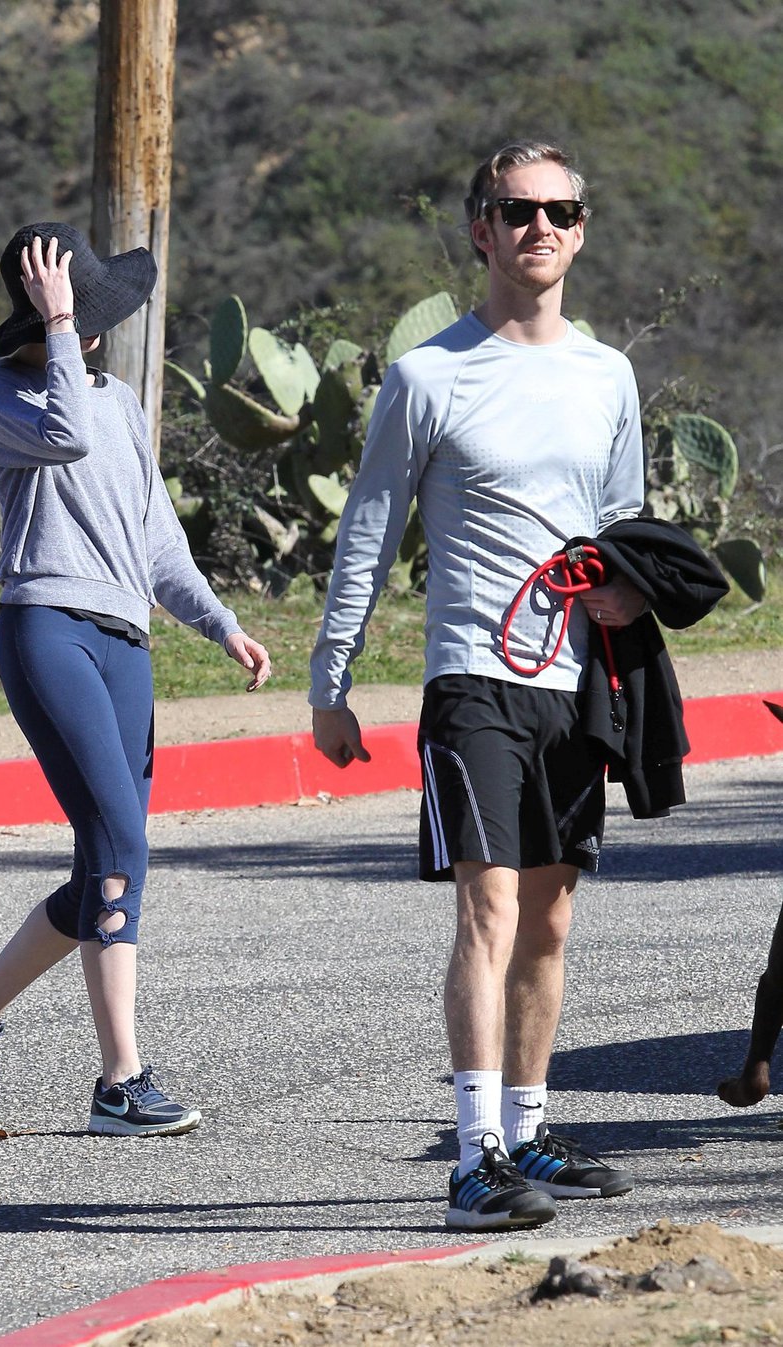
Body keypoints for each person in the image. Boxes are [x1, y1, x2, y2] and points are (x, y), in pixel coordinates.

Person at [309, 141, 648, 1229]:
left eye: (560, 210)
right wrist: (333, 680)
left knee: (549, 918)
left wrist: (630, 609)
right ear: (481, 230)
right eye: (517, 210)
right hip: (473, 679)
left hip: (573, 683)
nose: (539, 226)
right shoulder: (430, 375)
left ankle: (530, 1133)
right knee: (490, 905)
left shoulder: (608, 375)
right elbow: (370, 526)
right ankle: (472, 1160)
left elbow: (625, 530)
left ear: (581, 229)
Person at [0, 221, 270, 1137]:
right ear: (46, 307)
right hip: (46, 627)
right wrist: (62, 326)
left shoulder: (119, 400)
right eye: (77, 311)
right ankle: (121, 1079)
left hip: (126, 640)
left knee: (105, 868)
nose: (93, 329)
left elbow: (156, 537)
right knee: (119, 837)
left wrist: (220, 622)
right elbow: (66, 436)